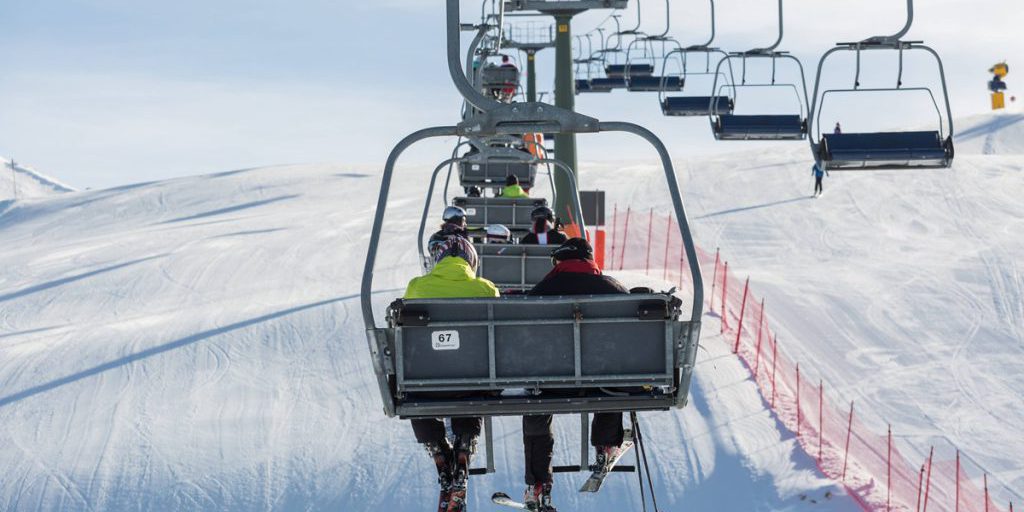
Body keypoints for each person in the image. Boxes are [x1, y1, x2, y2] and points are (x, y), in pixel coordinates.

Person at [520, 238, 630, 510]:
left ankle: (538, 481)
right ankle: (606, 444)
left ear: (562, 261)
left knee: (536, 400)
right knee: (613, 378)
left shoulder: (543, 290)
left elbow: (522, 334)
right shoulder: (613, 289)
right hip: (599, 383)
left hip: (553, 383)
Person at [404, 235, 499, 512]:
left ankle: (436, 445)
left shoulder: (417, 287)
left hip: (425, 384)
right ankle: (465, 441)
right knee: (472, 375)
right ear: (471, 262)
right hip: (472, 382)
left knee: (416, 389)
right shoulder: (485, 289)